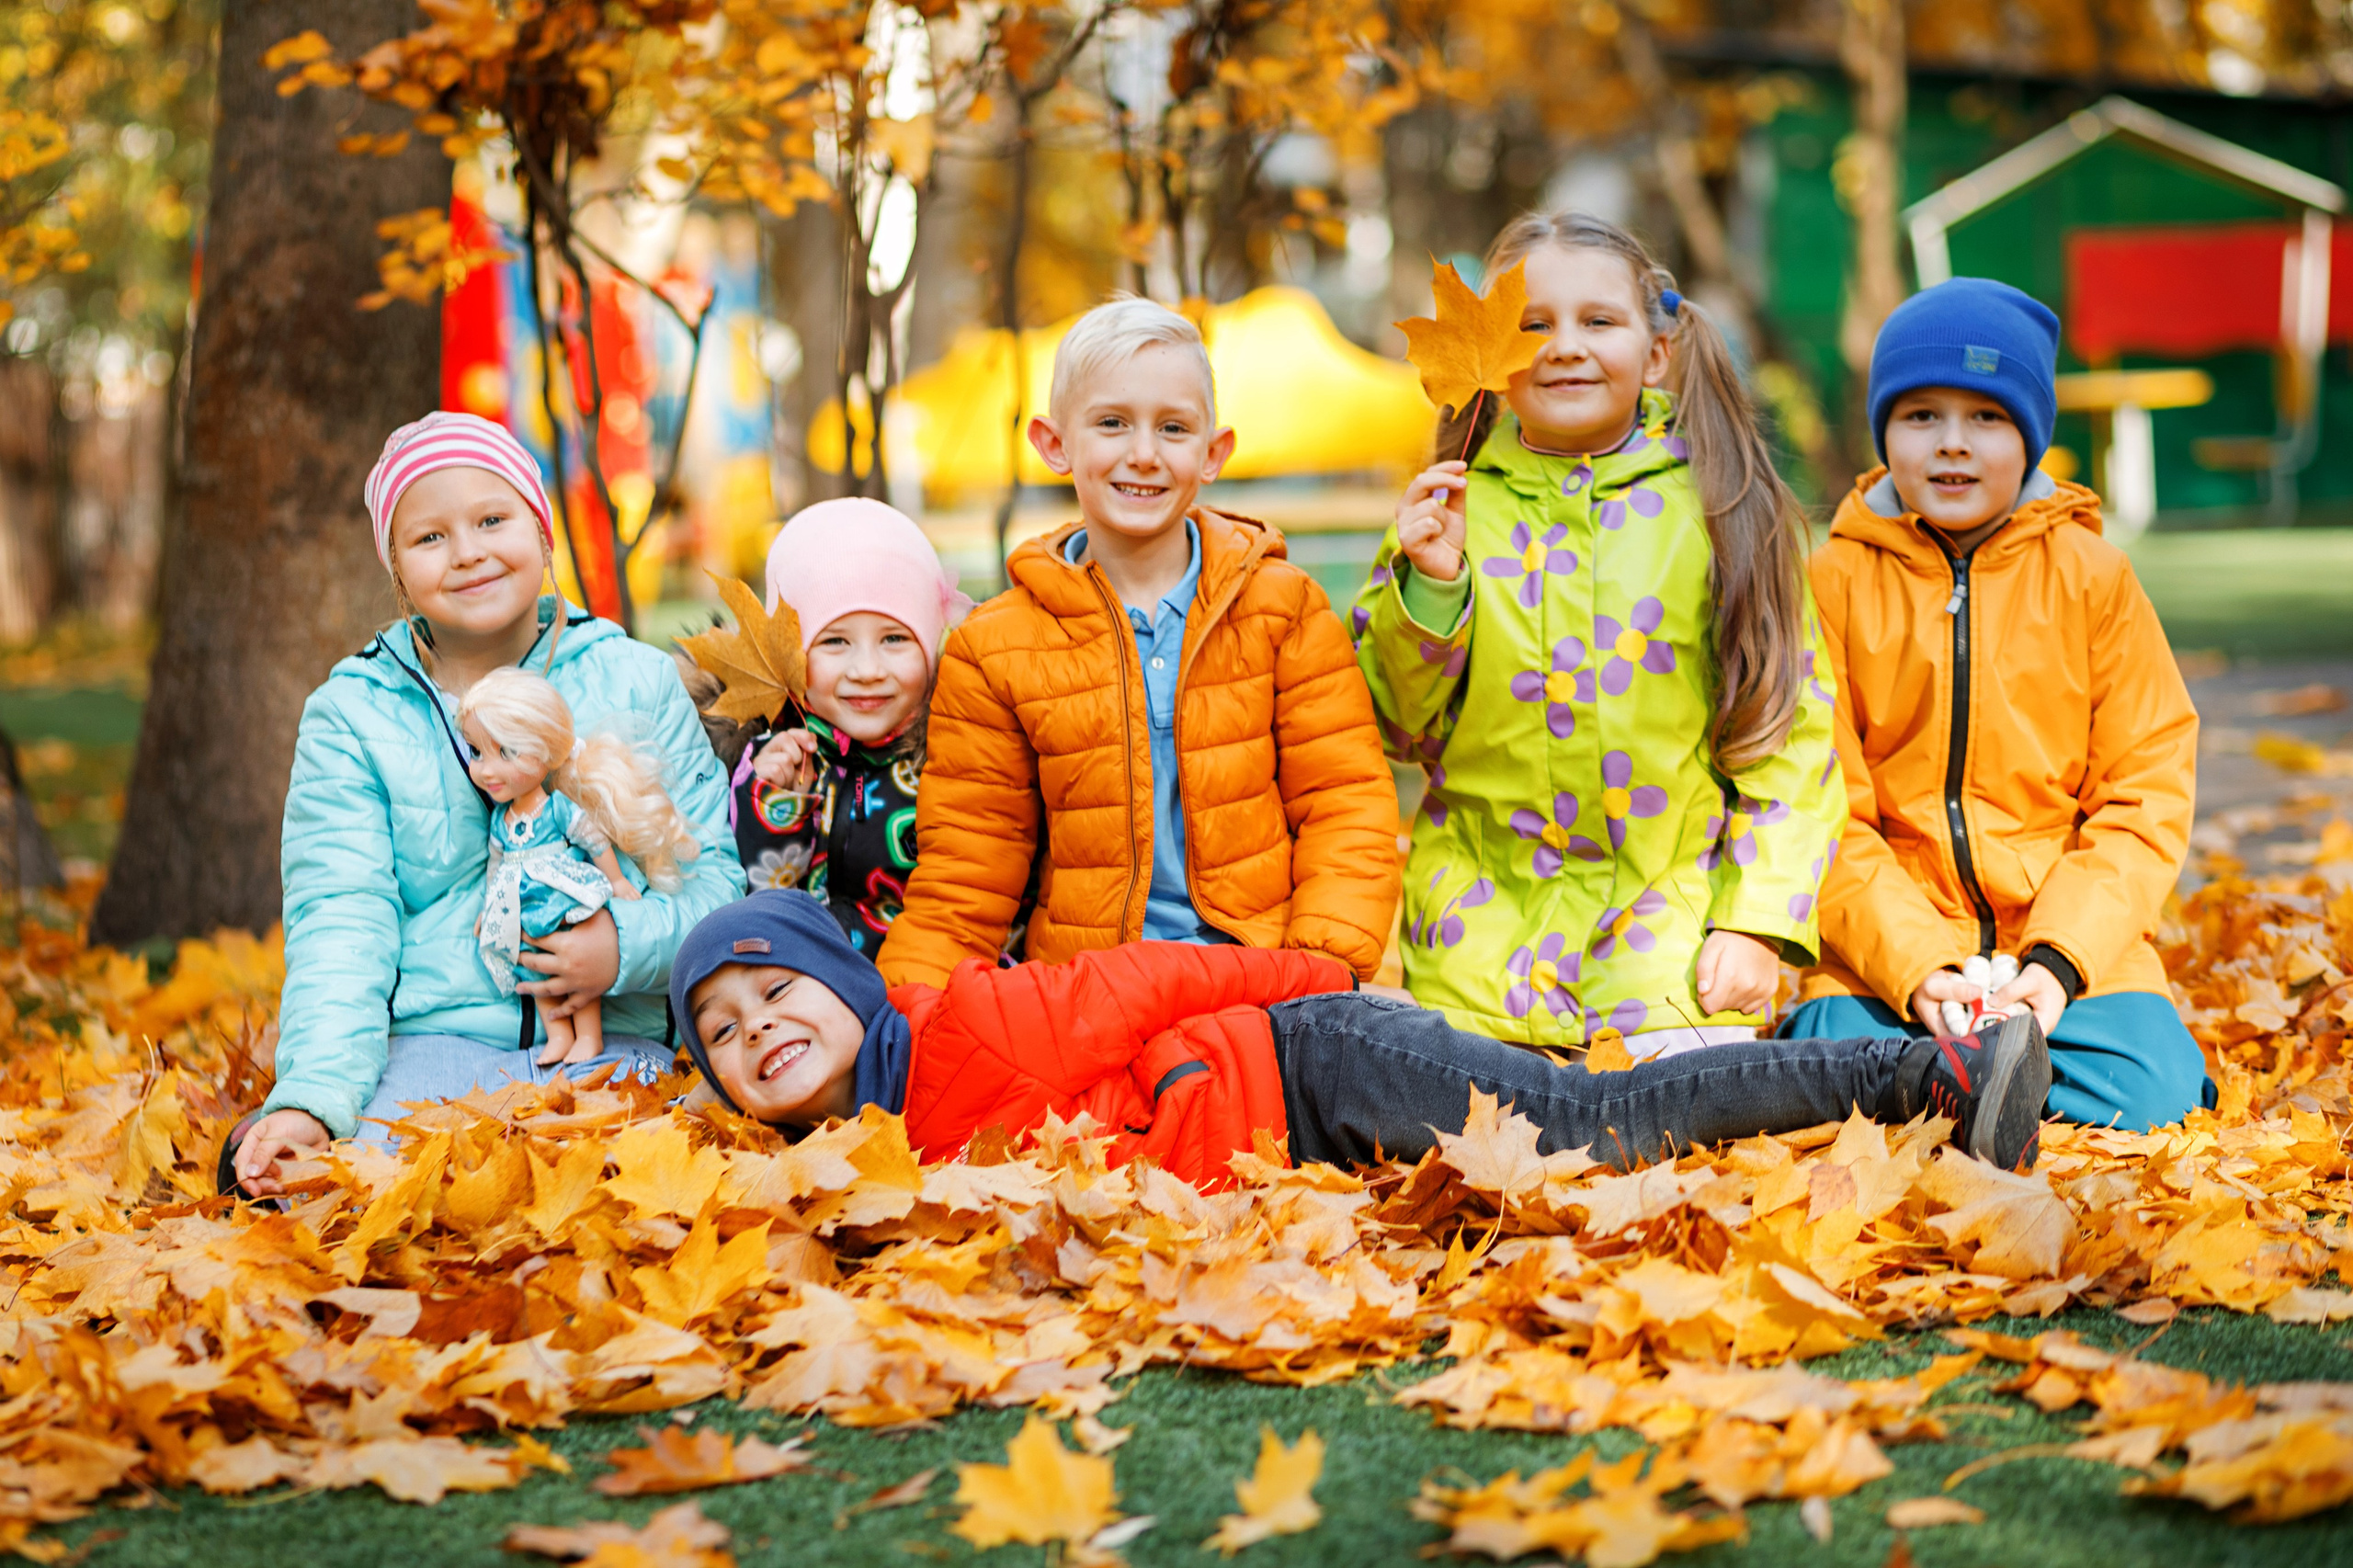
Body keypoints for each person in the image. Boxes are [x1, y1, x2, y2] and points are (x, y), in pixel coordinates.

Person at [1355, 212, 1841, 1057]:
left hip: (1669, 956)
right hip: (1478, 962)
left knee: (1665, 1118)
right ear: (1491, 353)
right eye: (1534, 325)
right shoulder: (1451, 513)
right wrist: (1431, 587)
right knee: (1478, 1125)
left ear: (1656, 353)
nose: (1565, 347)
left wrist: (1757, 923)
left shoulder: (1724, 513)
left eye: (1599, 321)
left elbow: (1789, 736)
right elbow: (1395, 727)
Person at [223, 412, 745, 1198]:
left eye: (492, 520)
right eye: (429, 537)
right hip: (434, 1048)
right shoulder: (354, 715)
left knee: (630, 1199)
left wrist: (621, 946)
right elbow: (341, 922)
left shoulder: (636, 680)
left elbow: (716, 888)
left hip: (614, 1045)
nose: (467, 551)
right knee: (369, 1197)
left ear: (542, 532)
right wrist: (315, 1100)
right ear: (398, 572)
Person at [672, 891, 2054, 1186]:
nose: (759, 1031)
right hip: (1305, 1141)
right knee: (1568, 1166)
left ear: (846, 984)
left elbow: (1160, 978)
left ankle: (1929, 1070)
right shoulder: (852, 1165)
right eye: (724, 1032)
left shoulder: (971, 1027)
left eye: (776, 993)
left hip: (1315, 1061)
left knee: (1593, 1124)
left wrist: (1326, 980)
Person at [1782, 278, 2211, 1131]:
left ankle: (1956, 1084)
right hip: (1892, 949)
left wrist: (2056, 964)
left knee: (2158, 1089)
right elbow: (1819, 808)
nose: (1953, 443)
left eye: (1986, 416)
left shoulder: (2094, 579)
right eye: (1921, 415)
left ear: (2030, 435)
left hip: (2062, 946)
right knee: (1824, 1047)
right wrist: (1918, 966)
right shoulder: (1832, 583)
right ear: (1884, 432)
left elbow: (2144, 793)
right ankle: (1979, 1080)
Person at [876, 297, 1399, 988]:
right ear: (1054, 444)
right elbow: (968, 871)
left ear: (1213, 454)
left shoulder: (1283, 609)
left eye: (1173, 428)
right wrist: (909, 1013)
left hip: (1261, 981)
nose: (1144, 454)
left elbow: (1345, 804)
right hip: (1092, 992)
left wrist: (1319, 970)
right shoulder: (995, 647)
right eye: (1112, 423)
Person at [720, 498, 975, 955]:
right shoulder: (769, 756)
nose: (867, 670)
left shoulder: (960, 756)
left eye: (894, 638)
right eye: (835, 641)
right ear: (789, 655)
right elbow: (753, 906)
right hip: (806, 980)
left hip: (929, 976)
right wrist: (773, 803)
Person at [460, 668, 702, 1067]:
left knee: (581, 972)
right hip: (522, 910)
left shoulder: (556, 807)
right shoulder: (501, 819)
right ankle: (558, 1035)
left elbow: (594, 840)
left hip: (563, 898)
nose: (487, 770)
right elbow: (497, 865)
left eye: (506, 753)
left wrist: (617, 880)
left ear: (546, 750)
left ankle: (588, 1035)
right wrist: (491, 908)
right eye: (476, 752)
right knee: (533, 972)